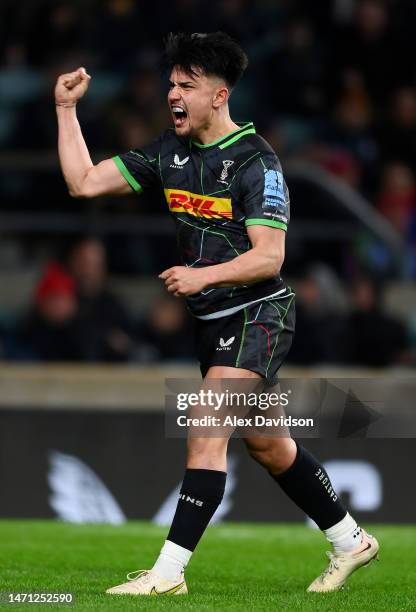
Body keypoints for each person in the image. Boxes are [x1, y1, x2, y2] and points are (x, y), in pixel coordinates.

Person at [54, 31, 379, 596]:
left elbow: (270, 257)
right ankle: (351, 540)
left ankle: (167, 575)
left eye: (187, 85)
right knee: (268, 444)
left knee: (205, 426)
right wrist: (65, 110)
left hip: (259, 314)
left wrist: (201, 276)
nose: (172, 94)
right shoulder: (168, 154)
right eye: (171, 84)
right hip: (214, 324)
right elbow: (84, 182)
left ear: (220, 95)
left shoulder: (257, 161)